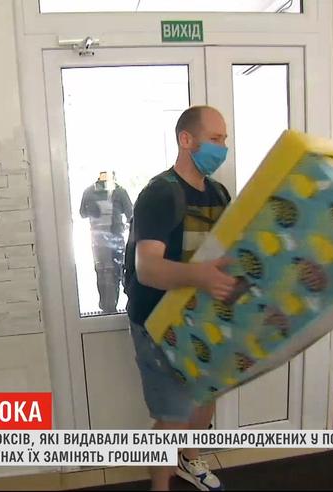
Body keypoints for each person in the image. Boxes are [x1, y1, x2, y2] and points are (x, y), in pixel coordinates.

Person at [124, 106, 236, 491]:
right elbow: (148, 269)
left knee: (205, 396)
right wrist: (200, 275)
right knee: (172, 415)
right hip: (158, 322)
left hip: (202, 317)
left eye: (225, 139)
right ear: (186, 140)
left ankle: (190, 460)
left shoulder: (218, 193)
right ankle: (160, 484)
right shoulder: (160, 193)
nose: (223, 148)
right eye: (216, 139)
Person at [79, 170, 133, 314]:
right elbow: (130, 215)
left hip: (97, 239)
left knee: (102, 271)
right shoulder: (120, 191)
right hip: (115, 238)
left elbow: (82, 213)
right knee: (116, 271)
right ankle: (112, 306)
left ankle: (105, 307)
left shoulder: (88, 191)